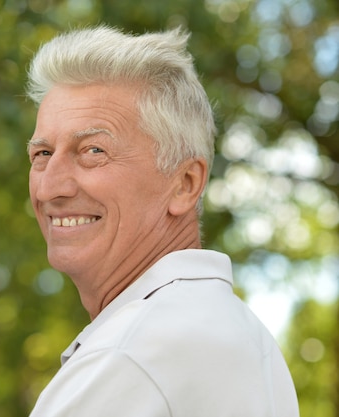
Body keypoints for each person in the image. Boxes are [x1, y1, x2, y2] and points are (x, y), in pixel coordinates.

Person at [25, 26, 299, 416]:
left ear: (185, 184)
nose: (50, 187)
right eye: (42, 154)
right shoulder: (250, 339)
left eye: (93, 150)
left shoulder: (128, 357)